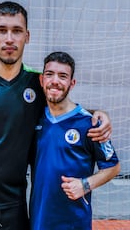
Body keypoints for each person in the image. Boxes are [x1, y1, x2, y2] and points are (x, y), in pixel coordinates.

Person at [0, 1, 112, 230]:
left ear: (27, 36)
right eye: (2, 30)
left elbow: (66, 108)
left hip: (14, 210)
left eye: (16, 31)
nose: (9, 38)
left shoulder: (36, 83)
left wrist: (99, 114)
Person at [29, 51, 120, 230]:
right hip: (39, 219)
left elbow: (113, 167)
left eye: (63, 76)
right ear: (41, 80)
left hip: (73, 222)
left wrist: (85, 185)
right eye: (49, 74)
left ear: (72, 83)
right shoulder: (34, 118)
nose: (55, 81)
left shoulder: (90, 123)